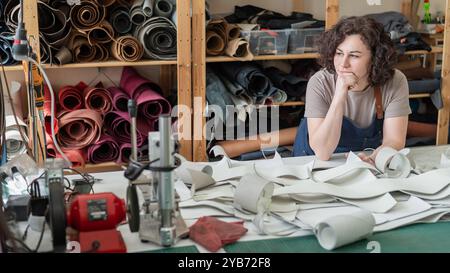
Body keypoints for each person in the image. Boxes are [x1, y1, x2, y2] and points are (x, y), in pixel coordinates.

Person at [293, 16, 411, 163]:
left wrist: (375, 158)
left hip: (364, 160)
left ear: (375, 58)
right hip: (314, 161)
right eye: (339, 53)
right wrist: (340, 93)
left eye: (354, 56)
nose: (343, 63)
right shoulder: (319, 82)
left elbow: (395, 140)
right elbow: (322, 152)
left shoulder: (395, 81)